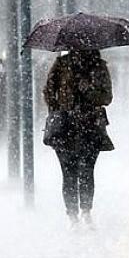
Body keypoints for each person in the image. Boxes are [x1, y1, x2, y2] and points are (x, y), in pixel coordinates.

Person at [43, 49, 114, 228]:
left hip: (90, 126)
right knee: (69, 173)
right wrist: (58, 110)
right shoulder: (61, 65)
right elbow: (48, 91)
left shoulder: (99, 66)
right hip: (65, 127)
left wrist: (88, 90)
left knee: (87, 171)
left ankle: (86, 211)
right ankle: (73, 216)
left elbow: (106, 97)